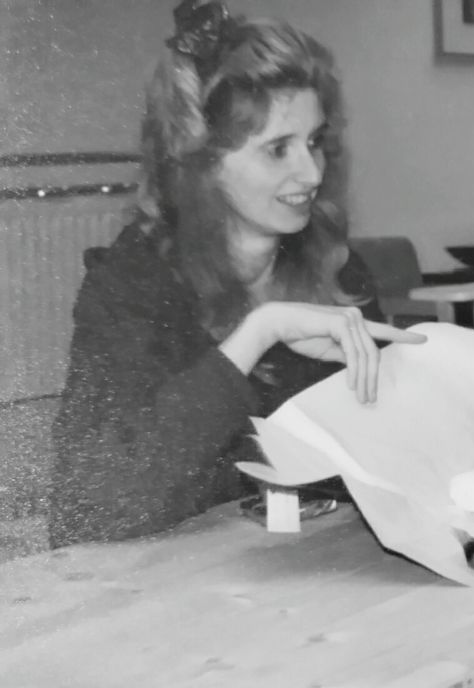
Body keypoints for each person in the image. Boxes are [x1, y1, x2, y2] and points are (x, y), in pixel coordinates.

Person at [49, 0, 425, 547]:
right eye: (278, 149)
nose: (312, 171)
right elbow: (87, 507)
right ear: (202, 165)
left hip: (316, 580)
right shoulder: (132, 287)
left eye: (315, 141)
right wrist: (257, 336)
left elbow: (391, 465)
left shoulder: (336, 270)